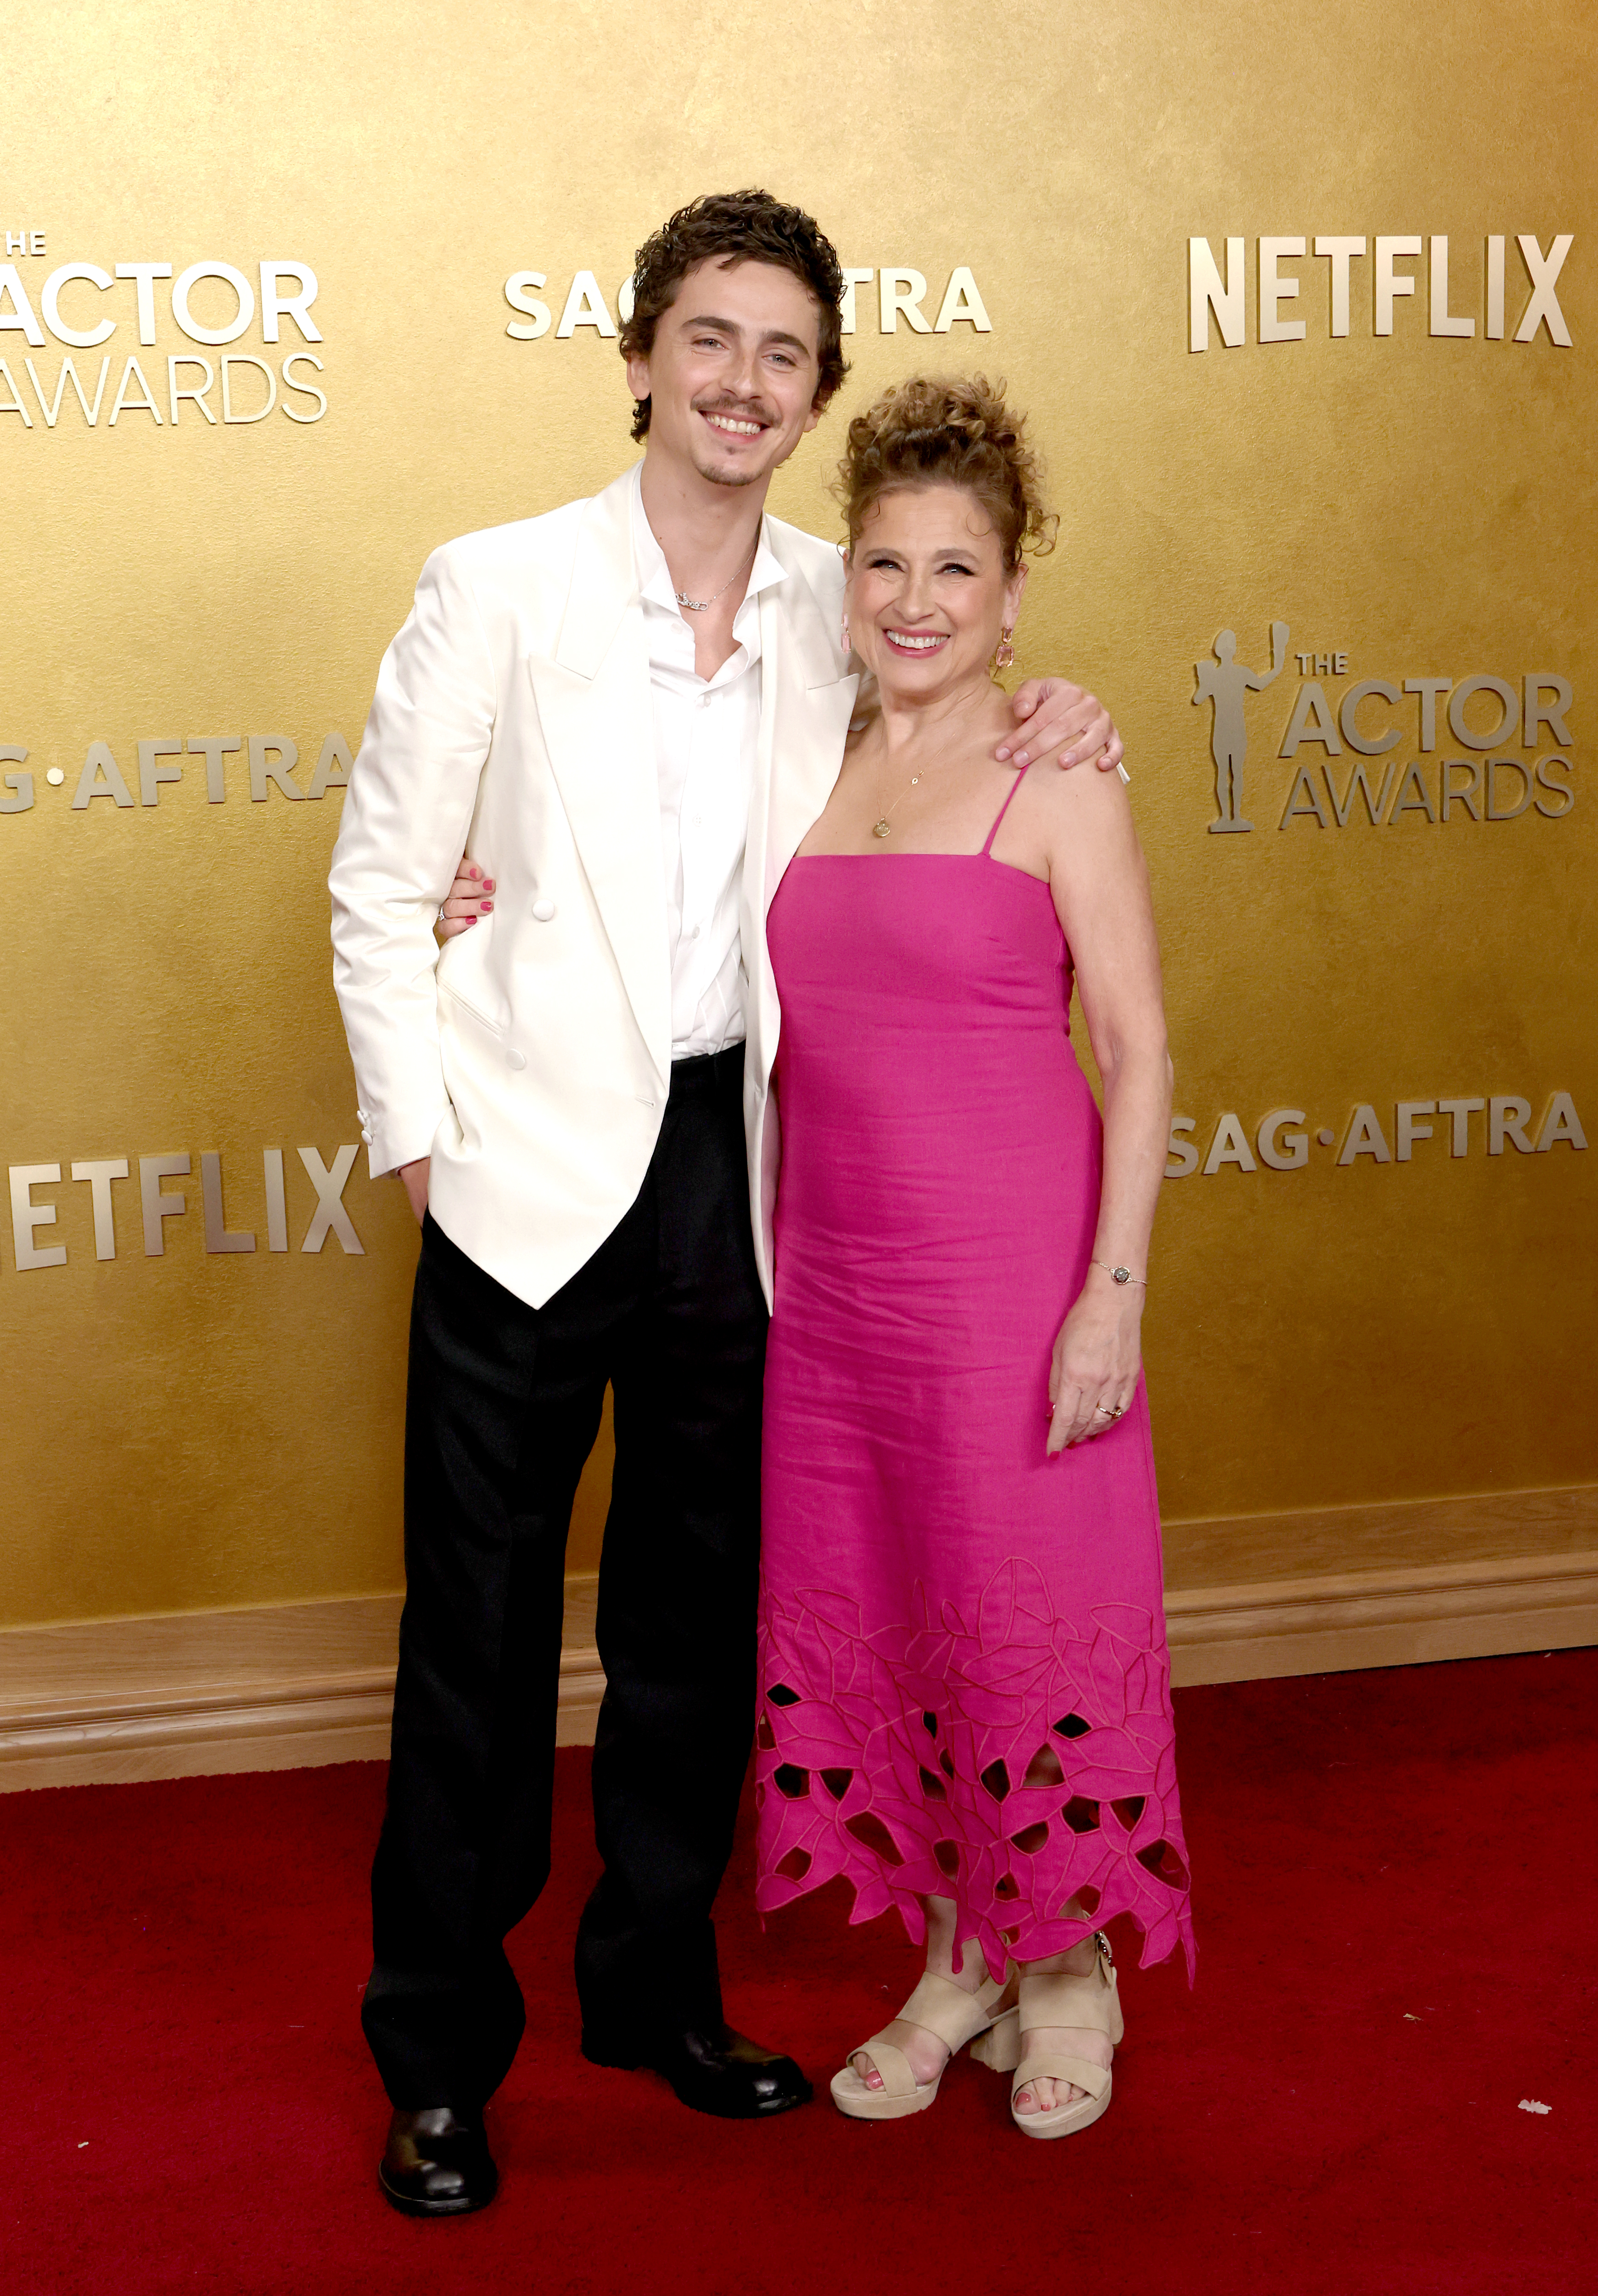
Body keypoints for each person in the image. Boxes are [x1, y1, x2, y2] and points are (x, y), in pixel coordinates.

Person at [331, 190, 1124, 2218]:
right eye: (709, 337)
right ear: (638, 360)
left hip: (741, 1173)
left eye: (783, 351)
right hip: (520, 1175)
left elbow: (948, 744)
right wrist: (423, 1130)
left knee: (698, 1628)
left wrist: (1065, 712)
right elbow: (382, 876)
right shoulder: (492, 585)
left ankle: (655, 1994)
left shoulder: (829, 602)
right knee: (479, 1643)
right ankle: (438, 2053)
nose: (741, 380)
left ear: (817, 389)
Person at [751, 375, 1195, 2138]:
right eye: (884, 566)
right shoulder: (799, 760)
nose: (917, 602)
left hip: (1017, 1280)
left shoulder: (1056, 772)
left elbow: (1145, 1051)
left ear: (1013, 595)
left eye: (956, 569)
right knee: (905, 1612)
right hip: (835, 1294)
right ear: (841, 583)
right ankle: (957, 1958)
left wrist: (1111, 1295)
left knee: (1032, 1621)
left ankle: (1068, 1965)